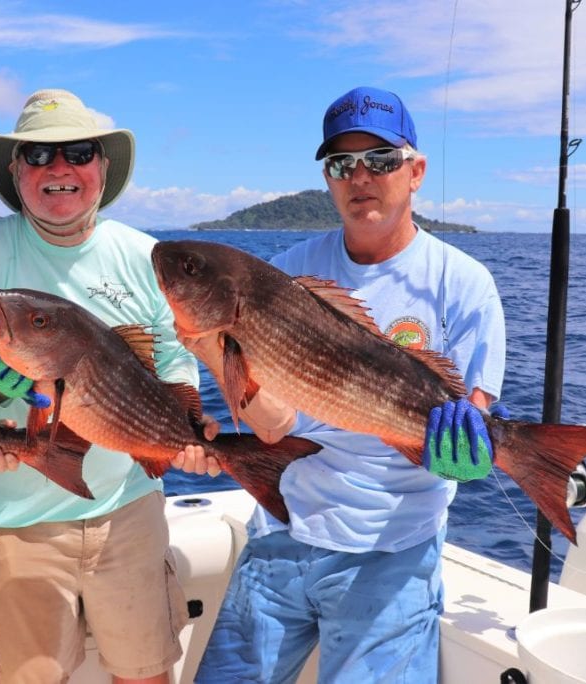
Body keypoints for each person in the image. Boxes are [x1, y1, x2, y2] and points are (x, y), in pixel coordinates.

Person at [184, 86, 506, 683]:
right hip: (282, 537)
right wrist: (210, 346)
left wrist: (469, 456)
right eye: (341, 164)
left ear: (416, 172)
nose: (361, 177)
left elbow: (472, 427)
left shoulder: (464, 283)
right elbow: (275, 426)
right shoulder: (286, 272)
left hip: (393, 552)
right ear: (328, 179)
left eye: (381, 160)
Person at [0, 88, 202, 684]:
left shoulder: (144, 255)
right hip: (16, 517)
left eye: (77, 152)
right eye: (37, 156)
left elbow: (172, 361)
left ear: (102, 167)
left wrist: (188, 431)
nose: (58, 169)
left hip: (129, 509)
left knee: (146, 674)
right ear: (16, 172)